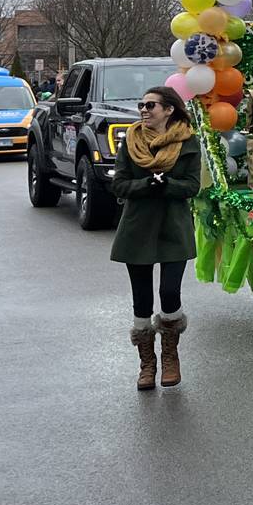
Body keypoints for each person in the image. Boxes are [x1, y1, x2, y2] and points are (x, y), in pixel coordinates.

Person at [109, 85, 201, 391]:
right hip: (137, 227)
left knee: (170, 292)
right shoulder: (131, 140)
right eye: (142, 105)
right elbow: (120, 184)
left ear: (169, 110)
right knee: (142, 299)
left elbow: (191, 186)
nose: (144, 110)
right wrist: (148, 184)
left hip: (173, 227)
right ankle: (147, 365)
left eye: (151, 105)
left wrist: (168, 184)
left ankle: (170, 357)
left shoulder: (187, 142)